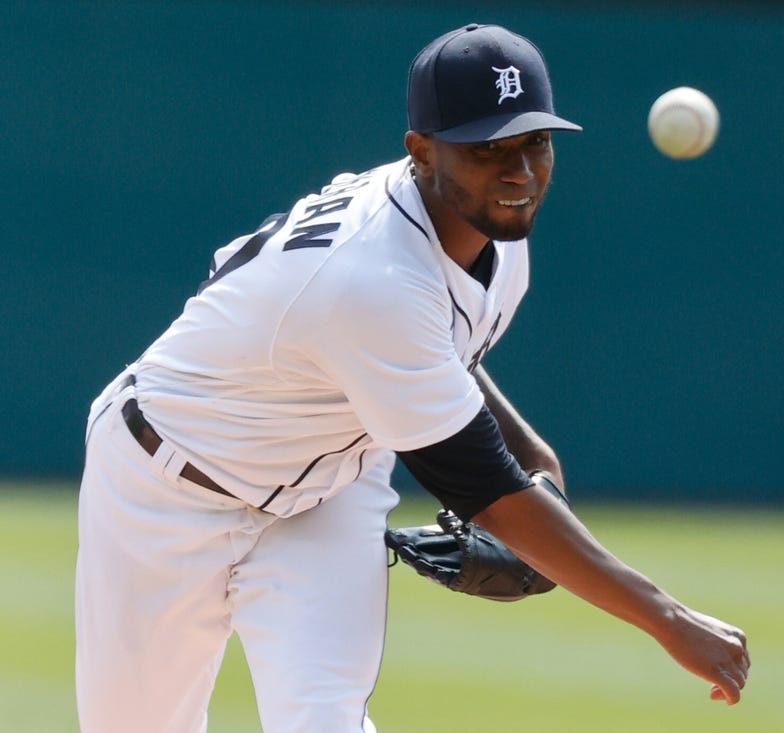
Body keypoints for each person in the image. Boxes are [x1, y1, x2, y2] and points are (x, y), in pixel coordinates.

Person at [74, 22, 750, 733]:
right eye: (487, 148)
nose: (518, 171)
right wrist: (668, 619)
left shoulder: (492, 234)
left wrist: (540, 472)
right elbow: (487, 489)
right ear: (421, 151)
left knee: (324, 722)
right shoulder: (372, 277)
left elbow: (445, 366)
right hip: (166, 483)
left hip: (326, 491)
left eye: (535, 142)